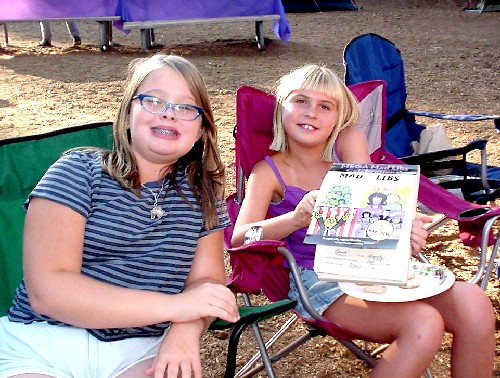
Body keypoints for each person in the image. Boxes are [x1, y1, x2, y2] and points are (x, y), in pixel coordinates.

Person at [231, 63, 495, 378]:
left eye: (325, 106)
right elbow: (240, 237)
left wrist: (404, 228)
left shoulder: (346, 162)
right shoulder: (268, 172)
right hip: (319, 281)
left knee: (474, 304)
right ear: (280, 111)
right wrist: (296, 217)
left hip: (372, 267)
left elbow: (380, 214)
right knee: (423, 324)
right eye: (300, 101)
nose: (311, 112)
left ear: (337, 121)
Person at [0, 54, 239, 378]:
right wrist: (176, 308)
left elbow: (206, 283)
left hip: (140, 346)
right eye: (153, 100)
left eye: (186, 107)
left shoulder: (203, 194)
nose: (169, 112)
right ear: (128, 114)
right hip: (42, 342)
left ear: (200, 130)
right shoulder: (78, 171)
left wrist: (185, 330)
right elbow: (49, 291)